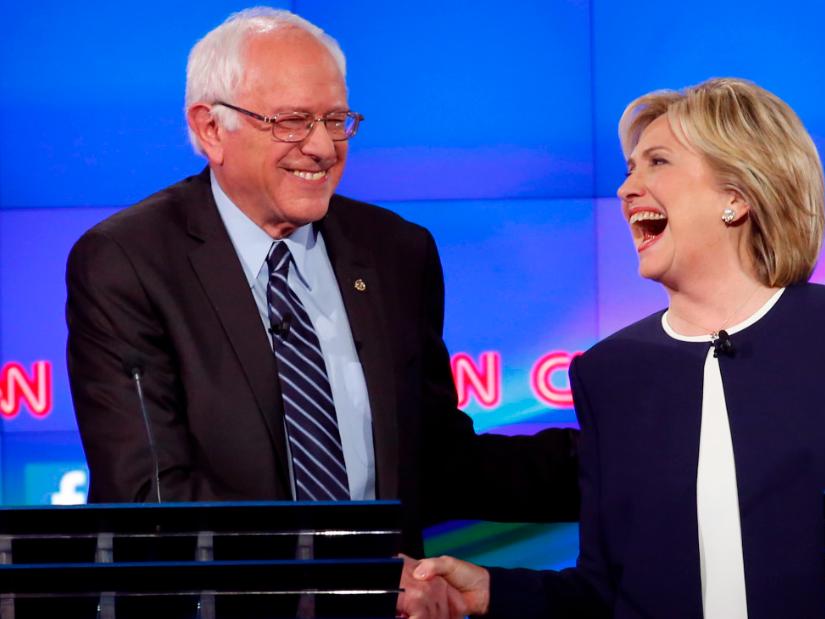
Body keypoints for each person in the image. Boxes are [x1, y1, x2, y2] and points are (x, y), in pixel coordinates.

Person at [412, 78, 825, 618]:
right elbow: (606, 591)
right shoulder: (611, 373)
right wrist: (493, 590)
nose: (627, 189)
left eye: (656, 162)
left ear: (736, 197)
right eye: (630, 168)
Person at [64, 7, 578, 617]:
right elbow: (149, 500)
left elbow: (436, 462)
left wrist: (627, 463)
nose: (322, 146)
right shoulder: (129, 261)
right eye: (290, 121)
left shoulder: (395, 252)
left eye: (336, 120)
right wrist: (350, 572)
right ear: (209, 128)